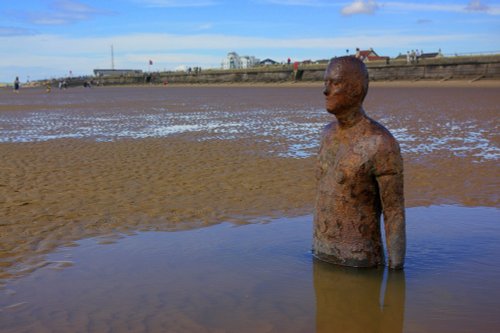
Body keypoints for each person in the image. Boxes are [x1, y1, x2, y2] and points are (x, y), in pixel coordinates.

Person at [313, 56, 406, 269]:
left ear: (355, 89)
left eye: (334, 83)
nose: (325, 91)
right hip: (321, 255)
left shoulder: (380, 143)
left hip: (360, 262)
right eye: (325, 82)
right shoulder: (326, 134)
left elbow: (394, 213)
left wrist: (396, 275)